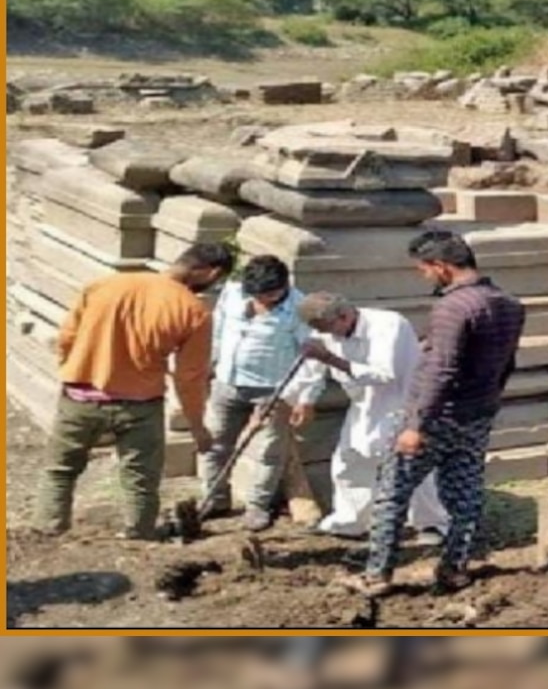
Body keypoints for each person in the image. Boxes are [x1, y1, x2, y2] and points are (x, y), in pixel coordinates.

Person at [340, 229, 526, 597]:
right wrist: (487, 401)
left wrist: (416, 425)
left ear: (441, 267)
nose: (423, 276)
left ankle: (377, 575)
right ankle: (454, 569)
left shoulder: (452, 308)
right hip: (478, 415)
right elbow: (507, 364)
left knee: (393, 494)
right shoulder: (509, 304)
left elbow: (441, 369)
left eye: (423, 269)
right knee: (466, 495)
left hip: (436, 418)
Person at [33, 242, 234, 540]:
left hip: (81, 396)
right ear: (210, 272)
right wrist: (197, 427)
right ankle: (139, 537)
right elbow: (189, 378)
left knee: (60, 471)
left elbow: (66, 339)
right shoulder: (193, 311)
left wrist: (75, 372)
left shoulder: (103, 286)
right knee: (140, 479)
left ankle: (49, 534)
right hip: (140, 404)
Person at [280, 293, 449, 542]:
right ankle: (350, 521)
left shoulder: (388, 325)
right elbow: (311, 372)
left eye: (329, 329)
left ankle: (431, 524)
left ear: (344, 316)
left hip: (401, 402)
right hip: (363, 404)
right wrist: (302, 400)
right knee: (350, 461)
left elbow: (382, 375)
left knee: (410, 464)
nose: (329, 336)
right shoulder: (326, 332)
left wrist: (330, 358)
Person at [201, 254, 310, 532]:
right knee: (216, 444)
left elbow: (311, 356)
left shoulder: (300, 309)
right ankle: (213, 498)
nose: (262, 301)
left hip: (272, 389)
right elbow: (219, 329)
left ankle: (258, 506)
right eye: (257, 295)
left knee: (270, 451)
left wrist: (304, 397)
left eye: (269, 295)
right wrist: (210, 364)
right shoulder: (232, 293)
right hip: (228, 382)